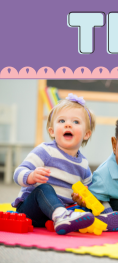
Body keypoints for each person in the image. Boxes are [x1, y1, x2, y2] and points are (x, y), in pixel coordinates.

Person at [12, 94, 97, 235]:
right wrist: (31, 176)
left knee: (86, 208)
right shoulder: (45, 151)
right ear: (52, 131)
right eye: (62, 121)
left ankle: (73, 218)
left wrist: (82, 199)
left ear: (86, 134)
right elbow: (18, 173)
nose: (68, 124)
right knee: (44, 188)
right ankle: (61, 216)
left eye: (76, 122)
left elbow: (92, 191)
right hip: (31, 211)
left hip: (60, 212)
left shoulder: (83, 164)